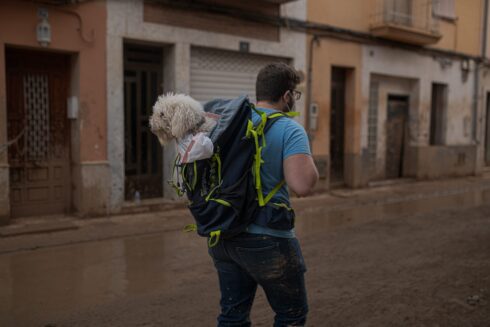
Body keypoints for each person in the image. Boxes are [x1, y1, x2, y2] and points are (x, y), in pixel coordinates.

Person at [208, 62, 319, 327]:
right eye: (295, 95)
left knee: (232, 315)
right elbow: (302, 185)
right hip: (268, 237)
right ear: (287, 96)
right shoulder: (290, 129)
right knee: (291, 315)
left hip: (223, 234)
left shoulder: (230, 123)